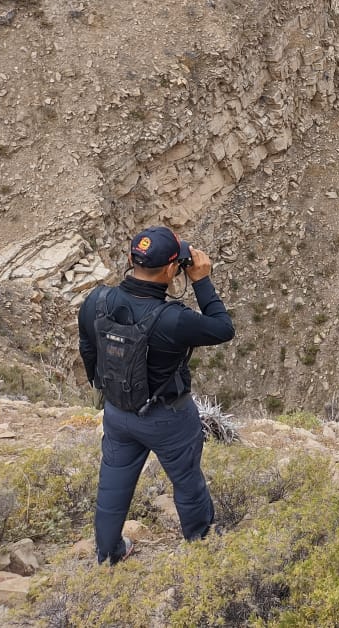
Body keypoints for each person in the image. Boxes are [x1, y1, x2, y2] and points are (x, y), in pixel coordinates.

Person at [78, 226, 235, 565]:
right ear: (169, 271)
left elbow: (88, 348)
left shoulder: (96, 301)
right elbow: (223, 328)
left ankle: (108, 554)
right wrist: (201, 280)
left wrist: (106, 389)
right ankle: (201, 540)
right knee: (187, 480)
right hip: (168, 416)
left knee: (113, 485)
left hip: (118, 412)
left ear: (131, 259)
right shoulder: (174, 320)